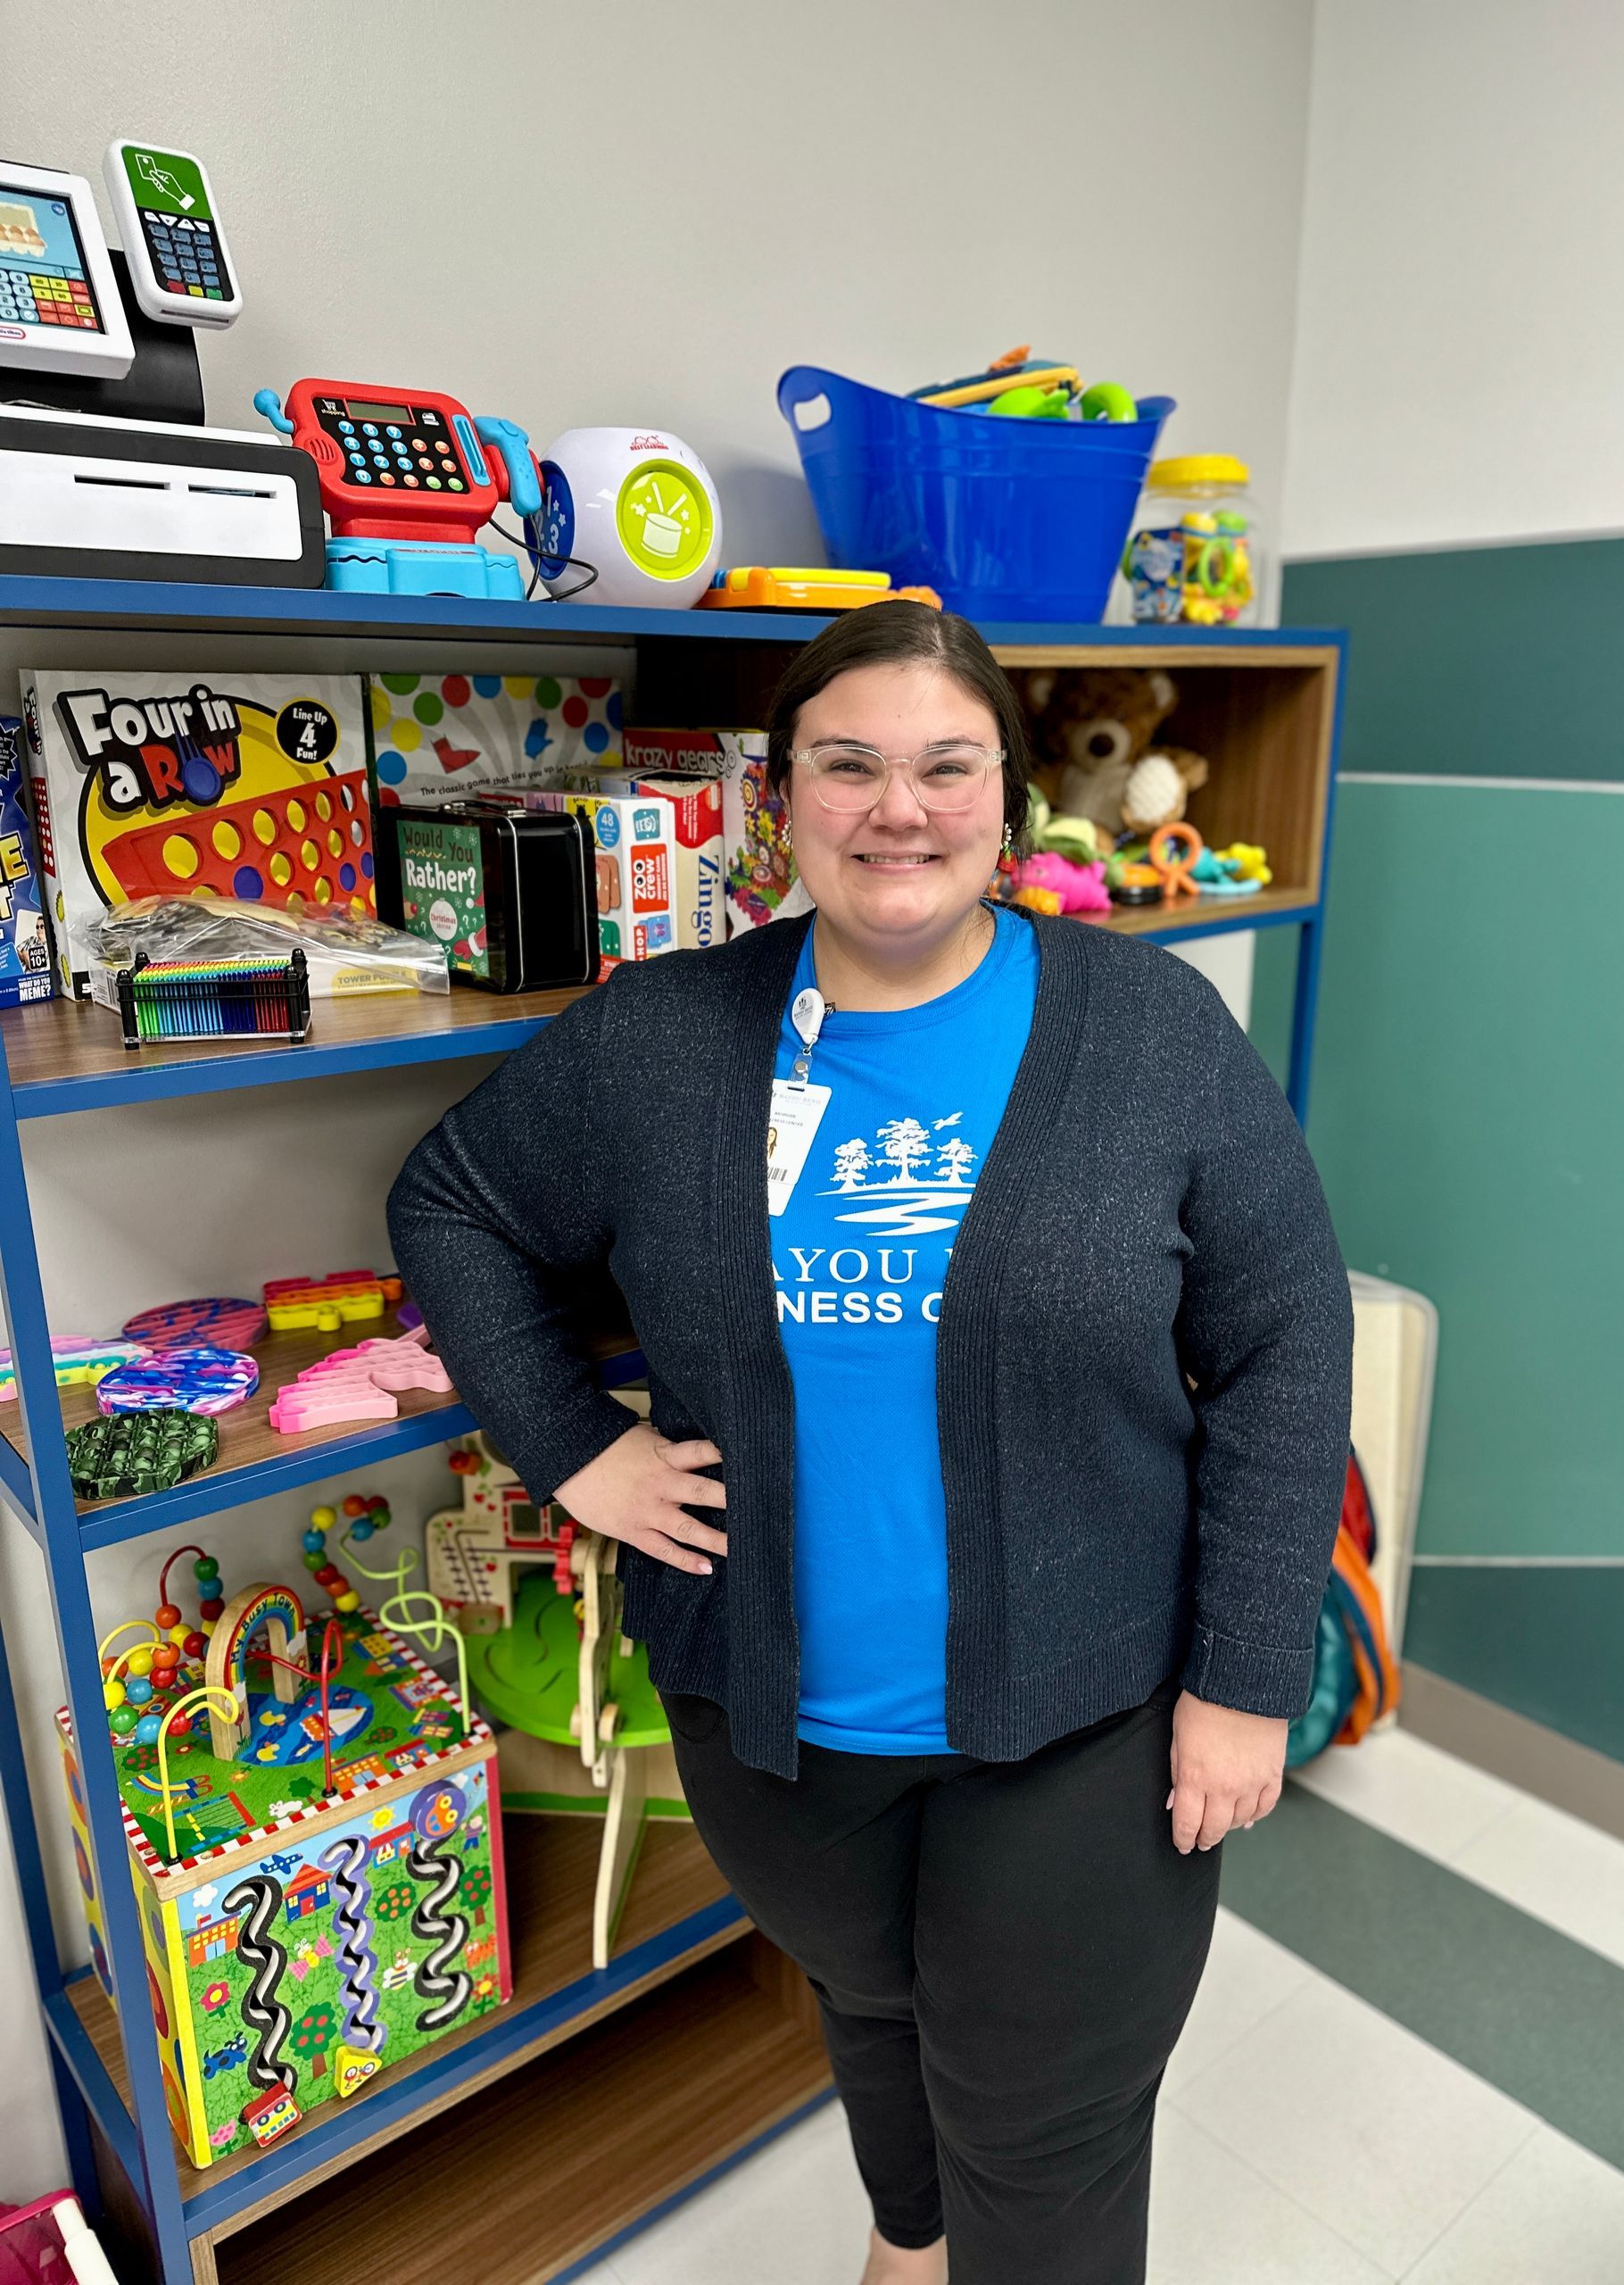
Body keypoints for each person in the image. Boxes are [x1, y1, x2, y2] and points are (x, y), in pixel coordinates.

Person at [388, 602, 1353, 2285]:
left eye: (945, 767)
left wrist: (1246, 1677)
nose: (898, 808)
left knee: (1042, 2147)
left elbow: (1286, 1341)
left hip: (1088, 1720)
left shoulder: (1151, 1034)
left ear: (1010, 801)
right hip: (778, 1729)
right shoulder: (660, 1035)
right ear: (781, 799)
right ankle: (909, 2239)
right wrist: (573, 1451)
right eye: (848, 765)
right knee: (880, 2004)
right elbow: (453, 1200)